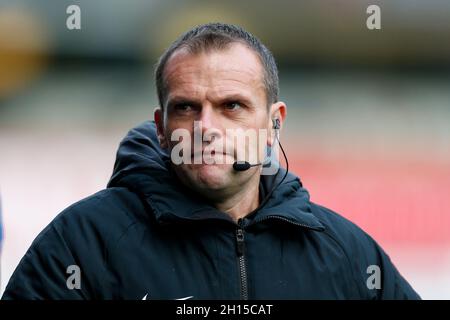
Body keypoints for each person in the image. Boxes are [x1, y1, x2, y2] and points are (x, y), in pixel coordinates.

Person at [2, 23, 420, 300]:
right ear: (161, 127)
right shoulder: (82, 244)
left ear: (274, 123)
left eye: (232, 106)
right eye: (186, 108)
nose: (205, 127)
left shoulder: (345, 254)